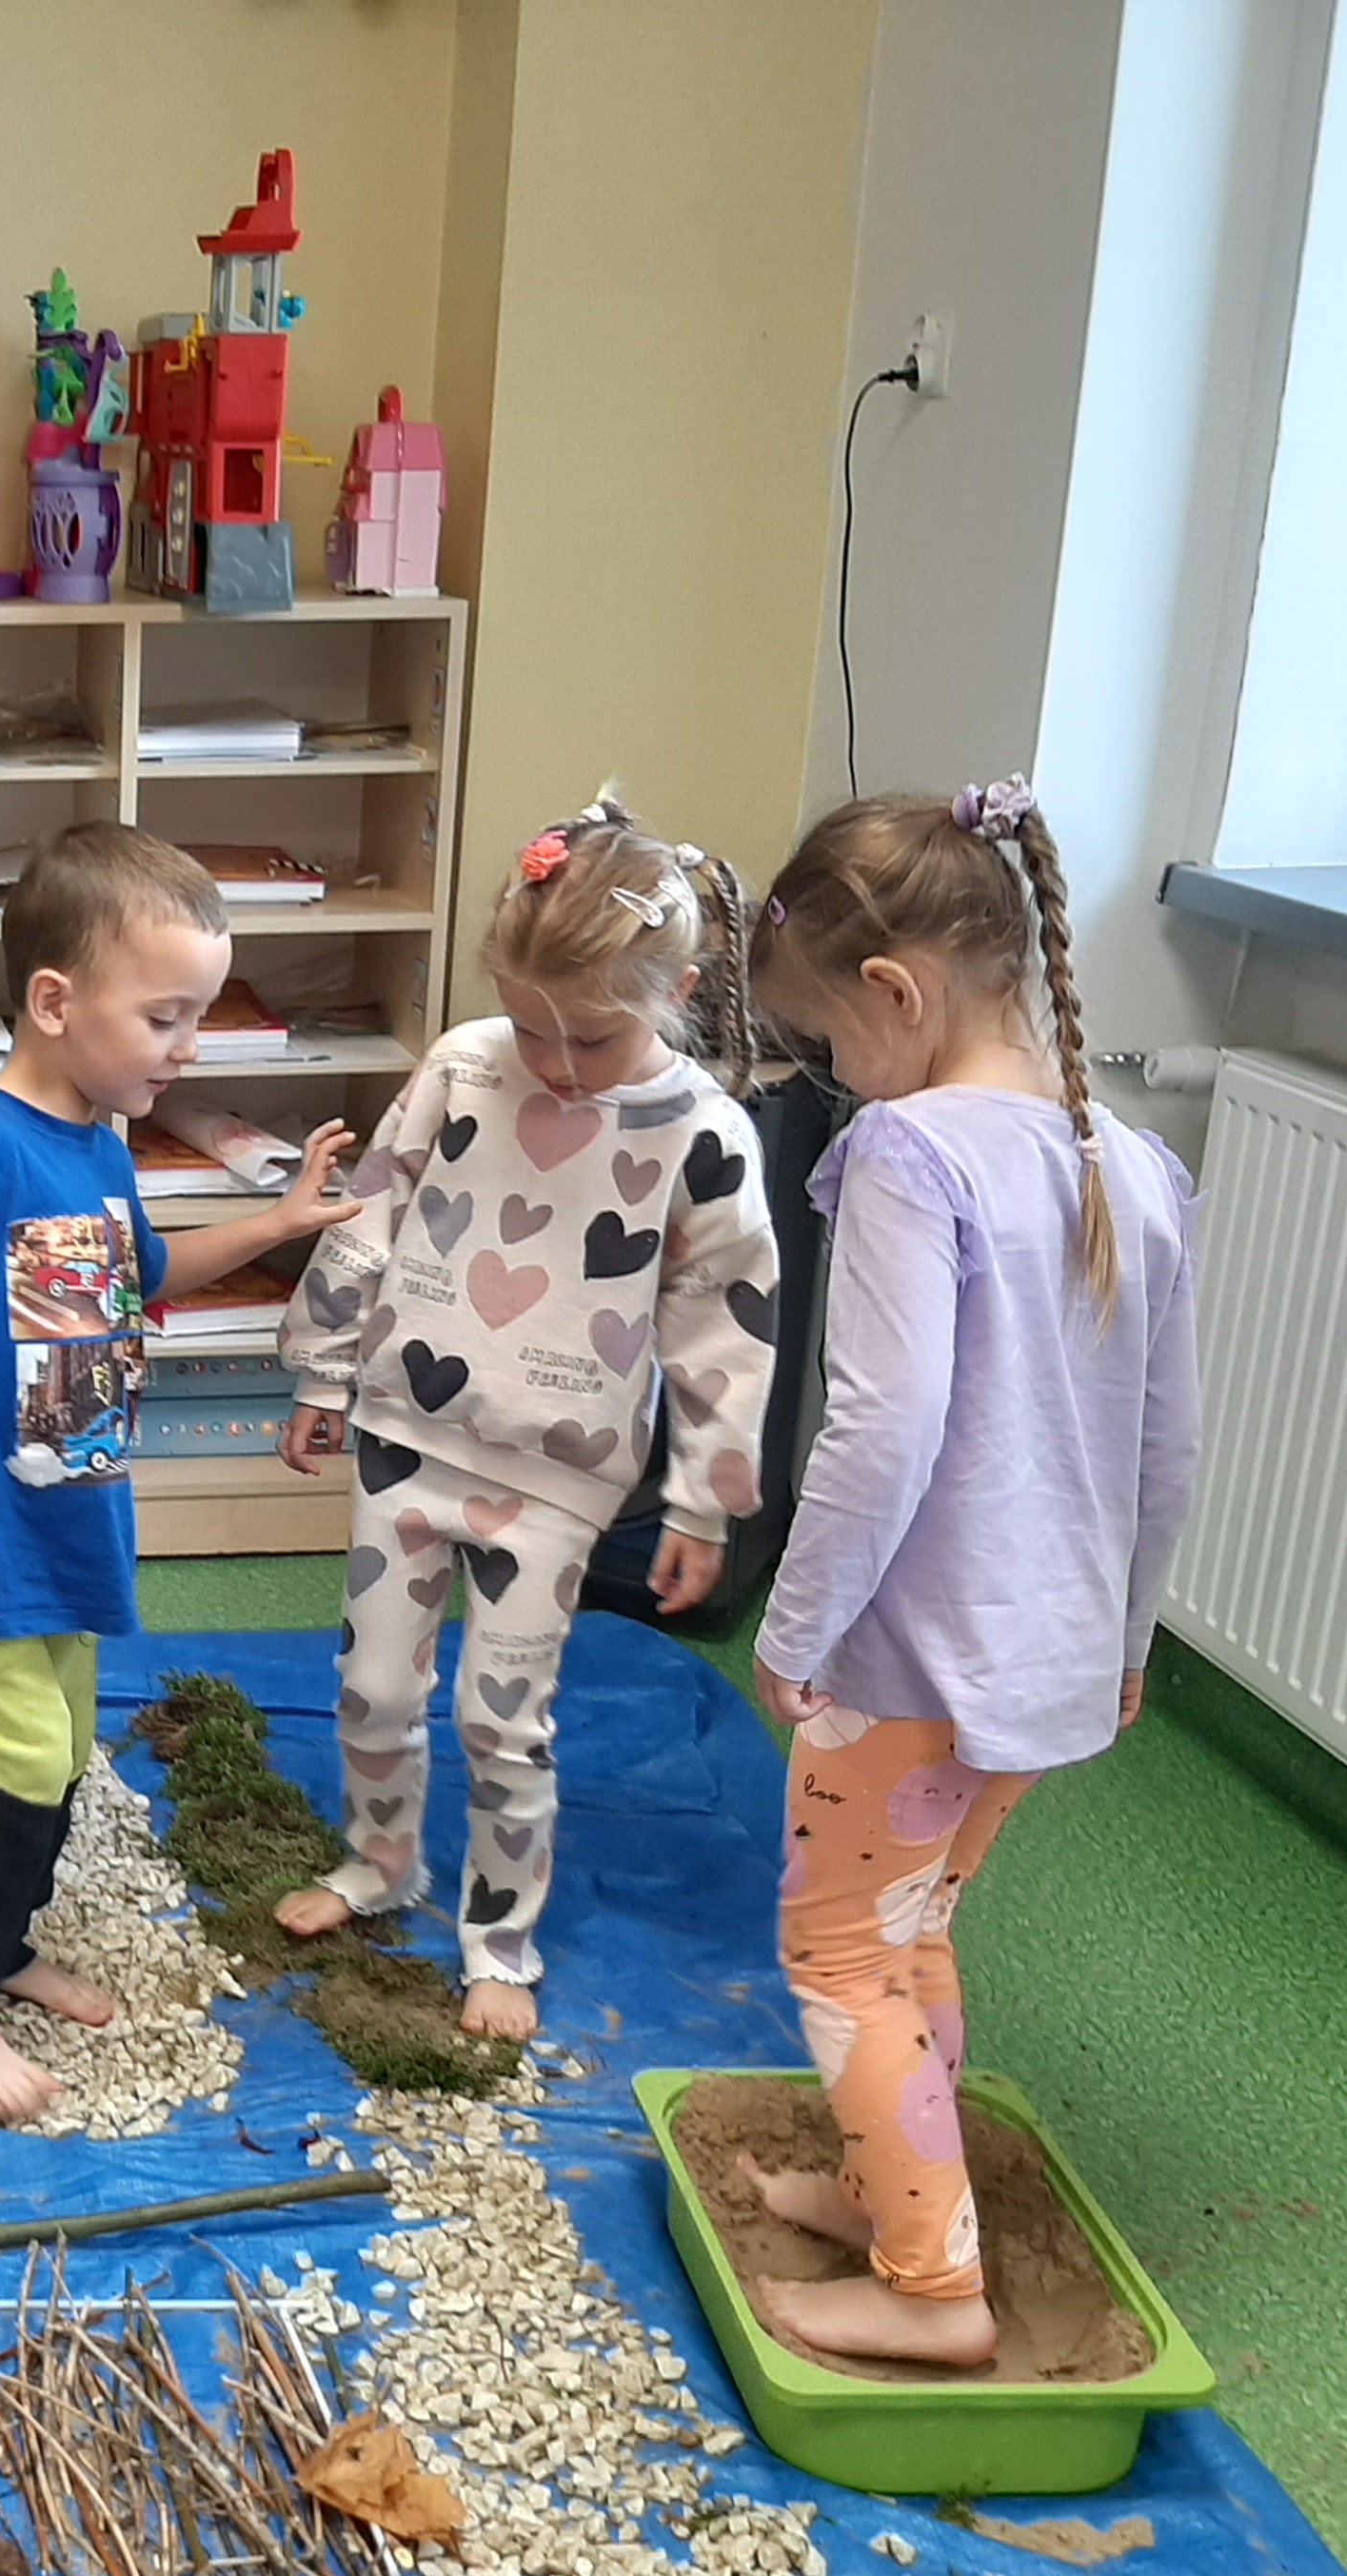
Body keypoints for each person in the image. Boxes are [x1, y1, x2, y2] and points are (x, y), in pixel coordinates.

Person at [0, 823, 362, 2124]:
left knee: (50, 1763)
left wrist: (278, 1223)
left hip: (59, 1526)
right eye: (166, 1016)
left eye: (197, 1016)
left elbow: (137, 1279)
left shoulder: (98, 1140)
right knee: (6, 1772)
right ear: (55, 1002)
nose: (188, 1048)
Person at [733, 779, 1200, 2367]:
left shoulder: (907, 1151)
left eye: (826, 1040)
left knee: (843, 1956)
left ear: (895, 992)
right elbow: (1169, 1450)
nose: (831, 1073)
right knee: (917, 1930)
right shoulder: (1128, 1157)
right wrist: (1129, 1640)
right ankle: (897, 2203)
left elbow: (881, 1428)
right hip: (1049, 1660)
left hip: (913, 1661)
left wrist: (797, 1622)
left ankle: (930, 2291)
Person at [269, 798, 783, 2043]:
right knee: (372, 1687)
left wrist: (703, 1503)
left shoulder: (705, 1136)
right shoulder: (463, 1064)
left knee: (503, 1719)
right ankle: (381, 1865)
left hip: (556, 1477)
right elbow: (374, 1210)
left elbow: (723, 1325)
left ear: (678, 991)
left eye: (592, 1038)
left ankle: (499, 1940)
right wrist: (323, 1373)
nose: (553, 1063)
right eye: (530, 1024)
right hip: (406, 1431)